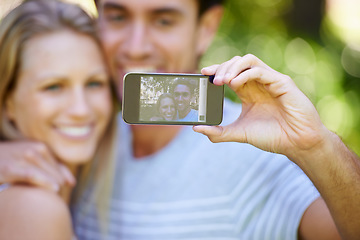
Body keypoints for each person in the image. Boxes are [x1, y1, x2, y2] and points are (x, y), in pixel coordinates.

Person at [0, 0, 360, 239]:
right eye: (118, 16)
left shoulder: (263, 155)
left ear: (206, 27)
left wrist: (317, 146)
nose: (135, 45)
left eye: (163, 19)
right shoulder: (87, 137)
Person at [0, 0, 117, 239]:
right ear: (8, 102)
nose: (81, 109)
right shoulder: (35, 208)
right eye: (53, 87)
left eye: (94, 83)